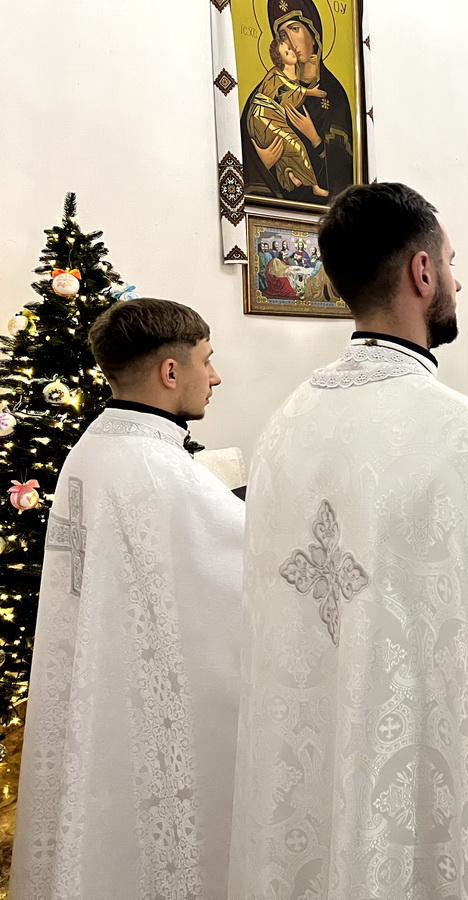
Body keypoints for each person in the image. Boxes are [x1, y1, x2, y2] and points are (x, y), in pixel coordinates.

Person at [228, 183, 468, 898]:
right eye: (452, 263)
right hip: (415, 741)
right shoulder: (460, 433)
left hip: (316, 726)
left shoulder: (286, 422)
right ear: (422, 272)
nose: (459, 281)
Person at [10, 298, 244, 898]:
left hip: (104, 689)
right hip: (145, 707)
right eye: (206, 360)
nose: (214, 377)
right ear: (170, 371)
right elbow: (255, 565)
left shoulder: (93, 449)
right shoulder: (159, 469)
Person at [240, 0, 355, 206]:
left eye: (294, 29)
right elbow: (246, 150)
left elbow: (344, 174)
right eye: (283, 35)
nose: (291, 41)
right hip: (274, 210)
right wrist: (263, 160)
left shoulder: (334, 96)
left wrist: (315, 138)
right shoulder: (268, 90)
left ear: (314, 33)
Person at [244, 37, 330, 198]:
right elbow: (285, 90)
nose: (292, 51)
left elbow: (291, 99)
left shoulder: (298, 81)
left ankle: (289, 175)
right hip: (263, 117)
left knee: (286, 150)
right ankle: (314, 185)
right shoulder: (275, 74)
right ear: (279, 59)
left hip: (276, 117)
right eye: (287, 51)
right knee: (296, 146)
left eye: (291, 48)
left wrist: (315, 138)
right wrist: (309, 92)